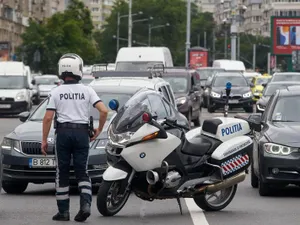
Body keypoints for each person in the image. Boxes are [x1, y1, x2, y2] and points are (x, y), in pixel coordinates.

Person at [41, 53, 108, 222]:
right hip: (81, 134)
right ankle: (85, 206)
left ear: (61, 71)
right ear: (78, 69)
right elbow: (104, 111)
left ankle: (63, 212)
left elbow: (48, 118)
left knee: (62, 172)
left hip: (62, 134)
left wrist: (43, 140)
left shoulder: (56, 91)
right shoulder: (87, 90)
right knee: (82, 171)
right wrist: (99, 129)